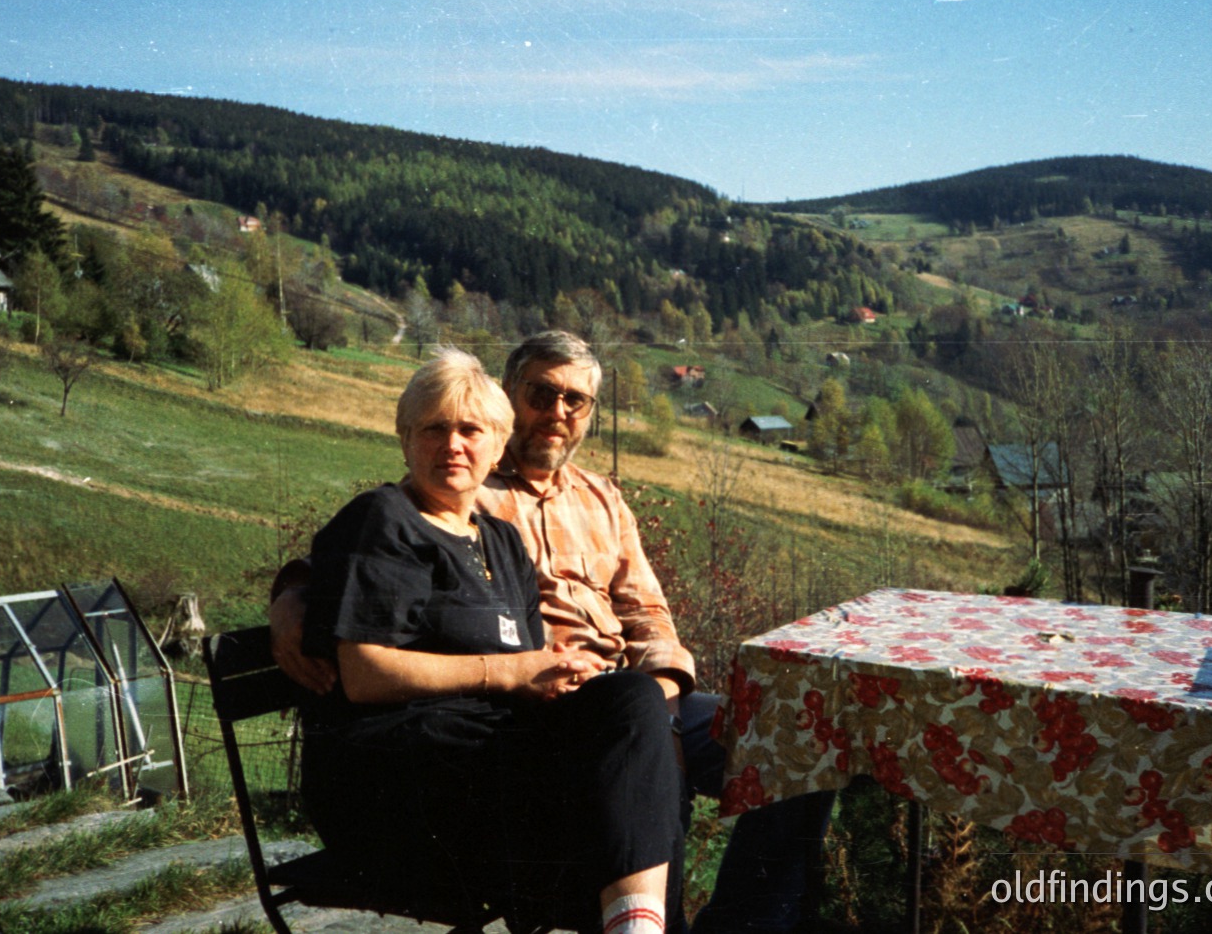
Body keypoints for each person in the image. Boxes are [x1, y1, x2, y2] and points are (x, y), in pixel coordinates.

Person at [275, 331, 835, 934]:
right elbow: (368, 553)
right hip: (540, 712)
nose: (558, 412)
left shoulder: (601, 498)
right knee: (635, 752)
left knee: (795, 742)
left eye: (577, 401)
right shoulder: (470, 482)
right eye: (543, 393)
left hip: (624, 694)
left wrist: (667, 694)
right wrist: (292, 593)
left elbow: (648, 612)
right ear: (512, 397)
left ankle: (742, 926)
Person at [298, 348, 684, 934]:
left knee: (631, 704)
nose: (453, 445)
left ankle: (640, 928)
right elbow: (364, 673)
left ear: (498, 442)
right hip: (402, 773)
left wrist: (560, 678)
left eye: (470, 430)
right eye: (434, 429)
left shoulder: (500, 540)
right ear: (406, 440)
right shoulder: (384, 519)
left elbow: (528, 670)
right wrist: (507, 675)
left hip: (487, 756)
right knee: (619, 797)